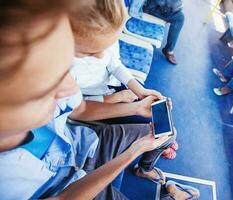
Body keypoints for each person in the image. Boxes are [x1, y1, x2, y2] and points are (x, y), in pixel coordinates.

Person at [0, 0, 199, 199]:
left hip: (83, 143)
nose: (71, 89)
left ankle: (143, 169)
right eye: (46, 89)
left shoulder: (39, 69)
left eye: (63, 71)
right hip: (69, 188)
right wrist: (131, 153)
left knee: (167, 134)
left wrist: (137, 108)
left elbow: (80, 108)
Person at [70, 3, 161, 103]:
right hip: (97, 100)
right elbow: (75, 106)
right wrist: (117, 97)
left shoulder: (106, 29)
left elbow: (114, 64)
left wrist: (140, 90)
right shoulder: (64, 70)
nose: (102, 57)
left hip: (113, 83)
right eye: (91, 53)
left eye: (106, 48)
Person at [129, 0, 185, 65]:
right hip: (149, 6)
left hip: (161, 6)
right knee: (180, 18)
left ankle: (168, 49)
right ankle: (168, 51)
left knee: (180, 17)